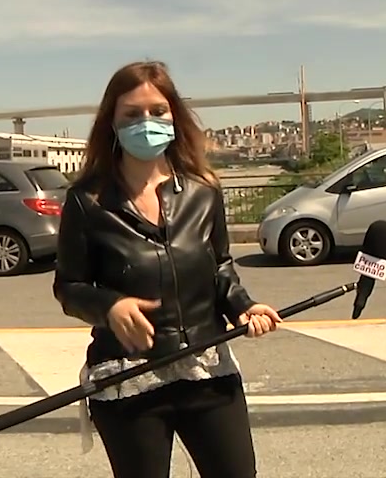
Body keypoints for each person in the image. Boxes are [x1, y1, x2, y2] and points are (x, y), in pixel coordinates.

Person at [52, 60, 283, 478]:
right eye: (132, 114)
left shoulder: (203, 190)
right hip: (128, 378)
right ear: (112, 123)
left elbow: (221, 267)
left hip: (207, 368)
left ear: (174, 114)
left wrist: (243, 307)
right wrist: (110, 307)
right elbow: (69, 287)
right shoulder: (87, 201)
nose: (147, 122)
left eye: (158, 111)